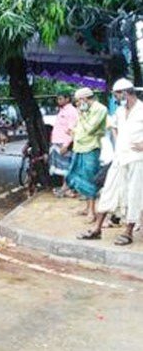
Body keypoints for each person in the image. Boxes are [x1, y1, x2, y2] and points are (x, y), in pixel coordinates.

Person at [78, 79, 143, 245]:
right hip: (120, 158)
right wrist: (118, 139)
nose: (116, 98)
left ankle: (128, 232)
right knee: (108, 191)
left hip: (137, 160)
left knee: (133, 195)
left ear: (126, 93)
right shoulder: (121, 111)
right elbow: (113, 125)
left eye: (117, 95)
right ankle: (97, 229)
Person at [66, 87, 107, 222]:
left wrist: (82, 114)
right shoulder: (84, 110)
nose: (77, 104)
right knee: (77, 176)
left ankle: (92, 211)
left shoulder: (100, 109)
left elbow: (90, 129)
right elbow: (78, 128)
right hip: (79, 147)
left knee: (90, 179)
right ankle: (87, 207)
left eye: (78, 101)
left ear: (84, 99)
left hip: (91, 148)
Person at [50, 91, 79, 196]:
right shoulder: (61, 110)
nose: (58, 101)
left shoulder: (71, 111)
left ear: (67, 99)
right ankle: (65, 188)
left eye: (61, 99)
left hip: (65, 143)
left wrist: (66, 145)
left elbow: (72, 130)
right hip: (57, 142)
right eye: (58, 99)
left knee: (67, 167)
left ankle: (68, 189)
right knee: (62, 168)